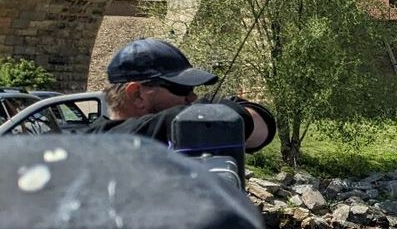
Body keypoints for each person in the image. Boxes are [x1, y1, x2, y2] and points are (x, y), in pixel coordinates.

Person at [81, 38, 275, 151]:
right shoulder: (96, 142)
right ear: (137, 94)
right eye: (181, 89)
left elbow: (263, 125)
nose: (192, 98)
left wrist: (229, 115)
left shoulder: (172, 131)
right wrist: (211, 113)